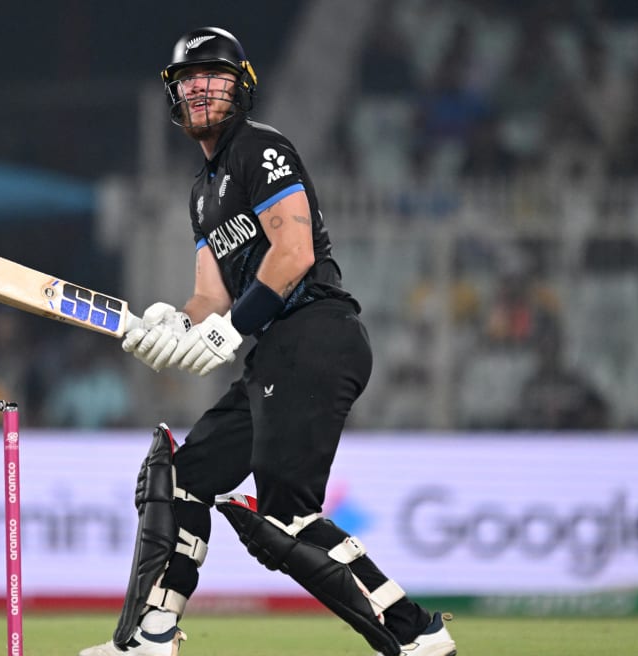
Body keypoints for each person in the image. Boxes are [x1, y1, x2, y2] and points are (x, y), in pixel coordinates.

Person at [80, 27, 455, 656]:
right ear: (174, 95)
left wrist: (232, 329)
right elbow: (210, 298)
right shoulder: (202, 193)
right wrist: (168, 326)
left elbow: (294, 252)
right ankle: (153, 637)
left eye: (214, 76)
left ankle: (417, 634)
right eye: (188, 79)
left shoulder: (261, 149)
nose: (200, 88)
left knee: (285, 515)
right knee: (184, 476)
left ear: (241, 87)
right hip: (275, 352)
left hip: (315, 333)